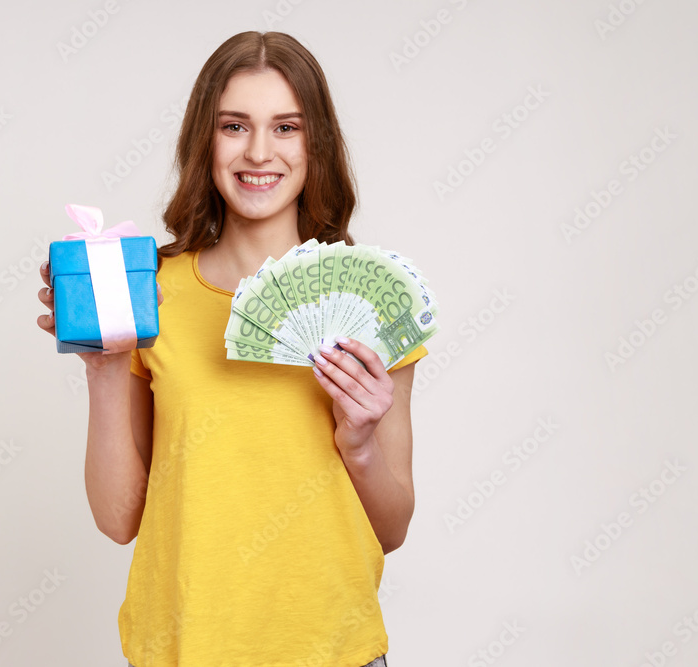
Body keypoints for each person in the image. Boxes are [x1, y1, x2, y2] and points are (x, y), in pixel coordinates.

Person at [38, 30, 428, 667]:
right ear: (205, 140)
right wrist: (105, 366)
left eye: (285, 127)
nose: (257, 151)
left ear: (316, 142)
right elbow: (118, 520)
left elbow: (393, 528)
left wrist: (358, 441)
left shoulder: (375, 303)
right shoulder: (151, 292)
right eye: (234, 125)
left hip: (333, 652)